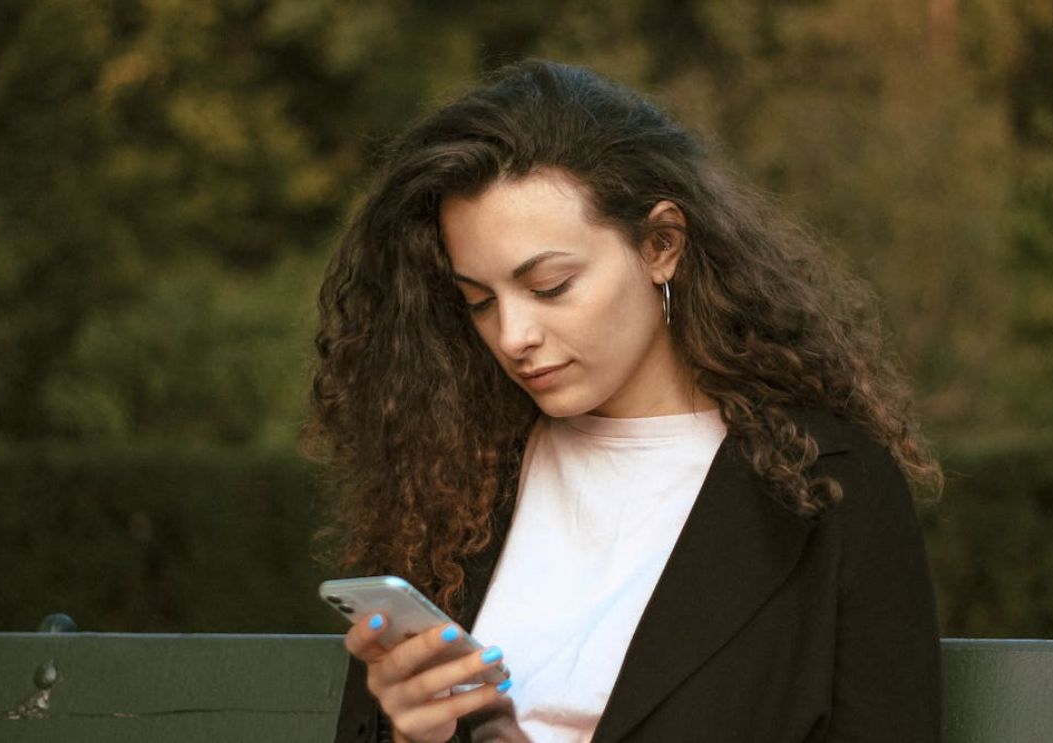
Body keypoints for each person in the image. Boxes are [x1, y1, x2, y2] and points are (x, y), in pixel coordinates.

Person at [306, 59, 942, 743]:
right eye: (479, 302)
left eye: (550, 286)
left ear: (661, 245)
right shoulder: (453, 477)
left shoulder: (831, 482)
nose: (513, 335)